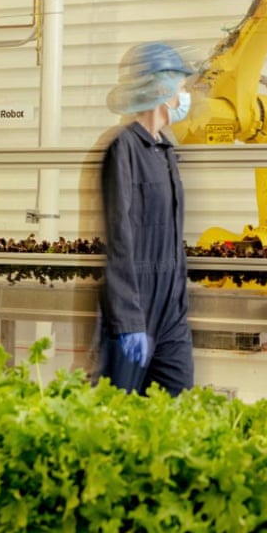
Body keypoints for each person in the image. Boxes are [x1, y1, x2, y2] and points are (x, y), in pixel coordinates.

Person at [98, 41, 196, 396]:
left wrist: (180, 302)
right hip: (136, 305)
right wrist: (127, 319)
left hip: (171, 307)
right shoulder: (122, 147)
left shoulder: (166, 150)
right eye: (181, 87)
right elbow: (118, 238)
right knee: (119, 415)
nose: (185, 96)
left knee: (180, 399)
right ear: (161, 88)